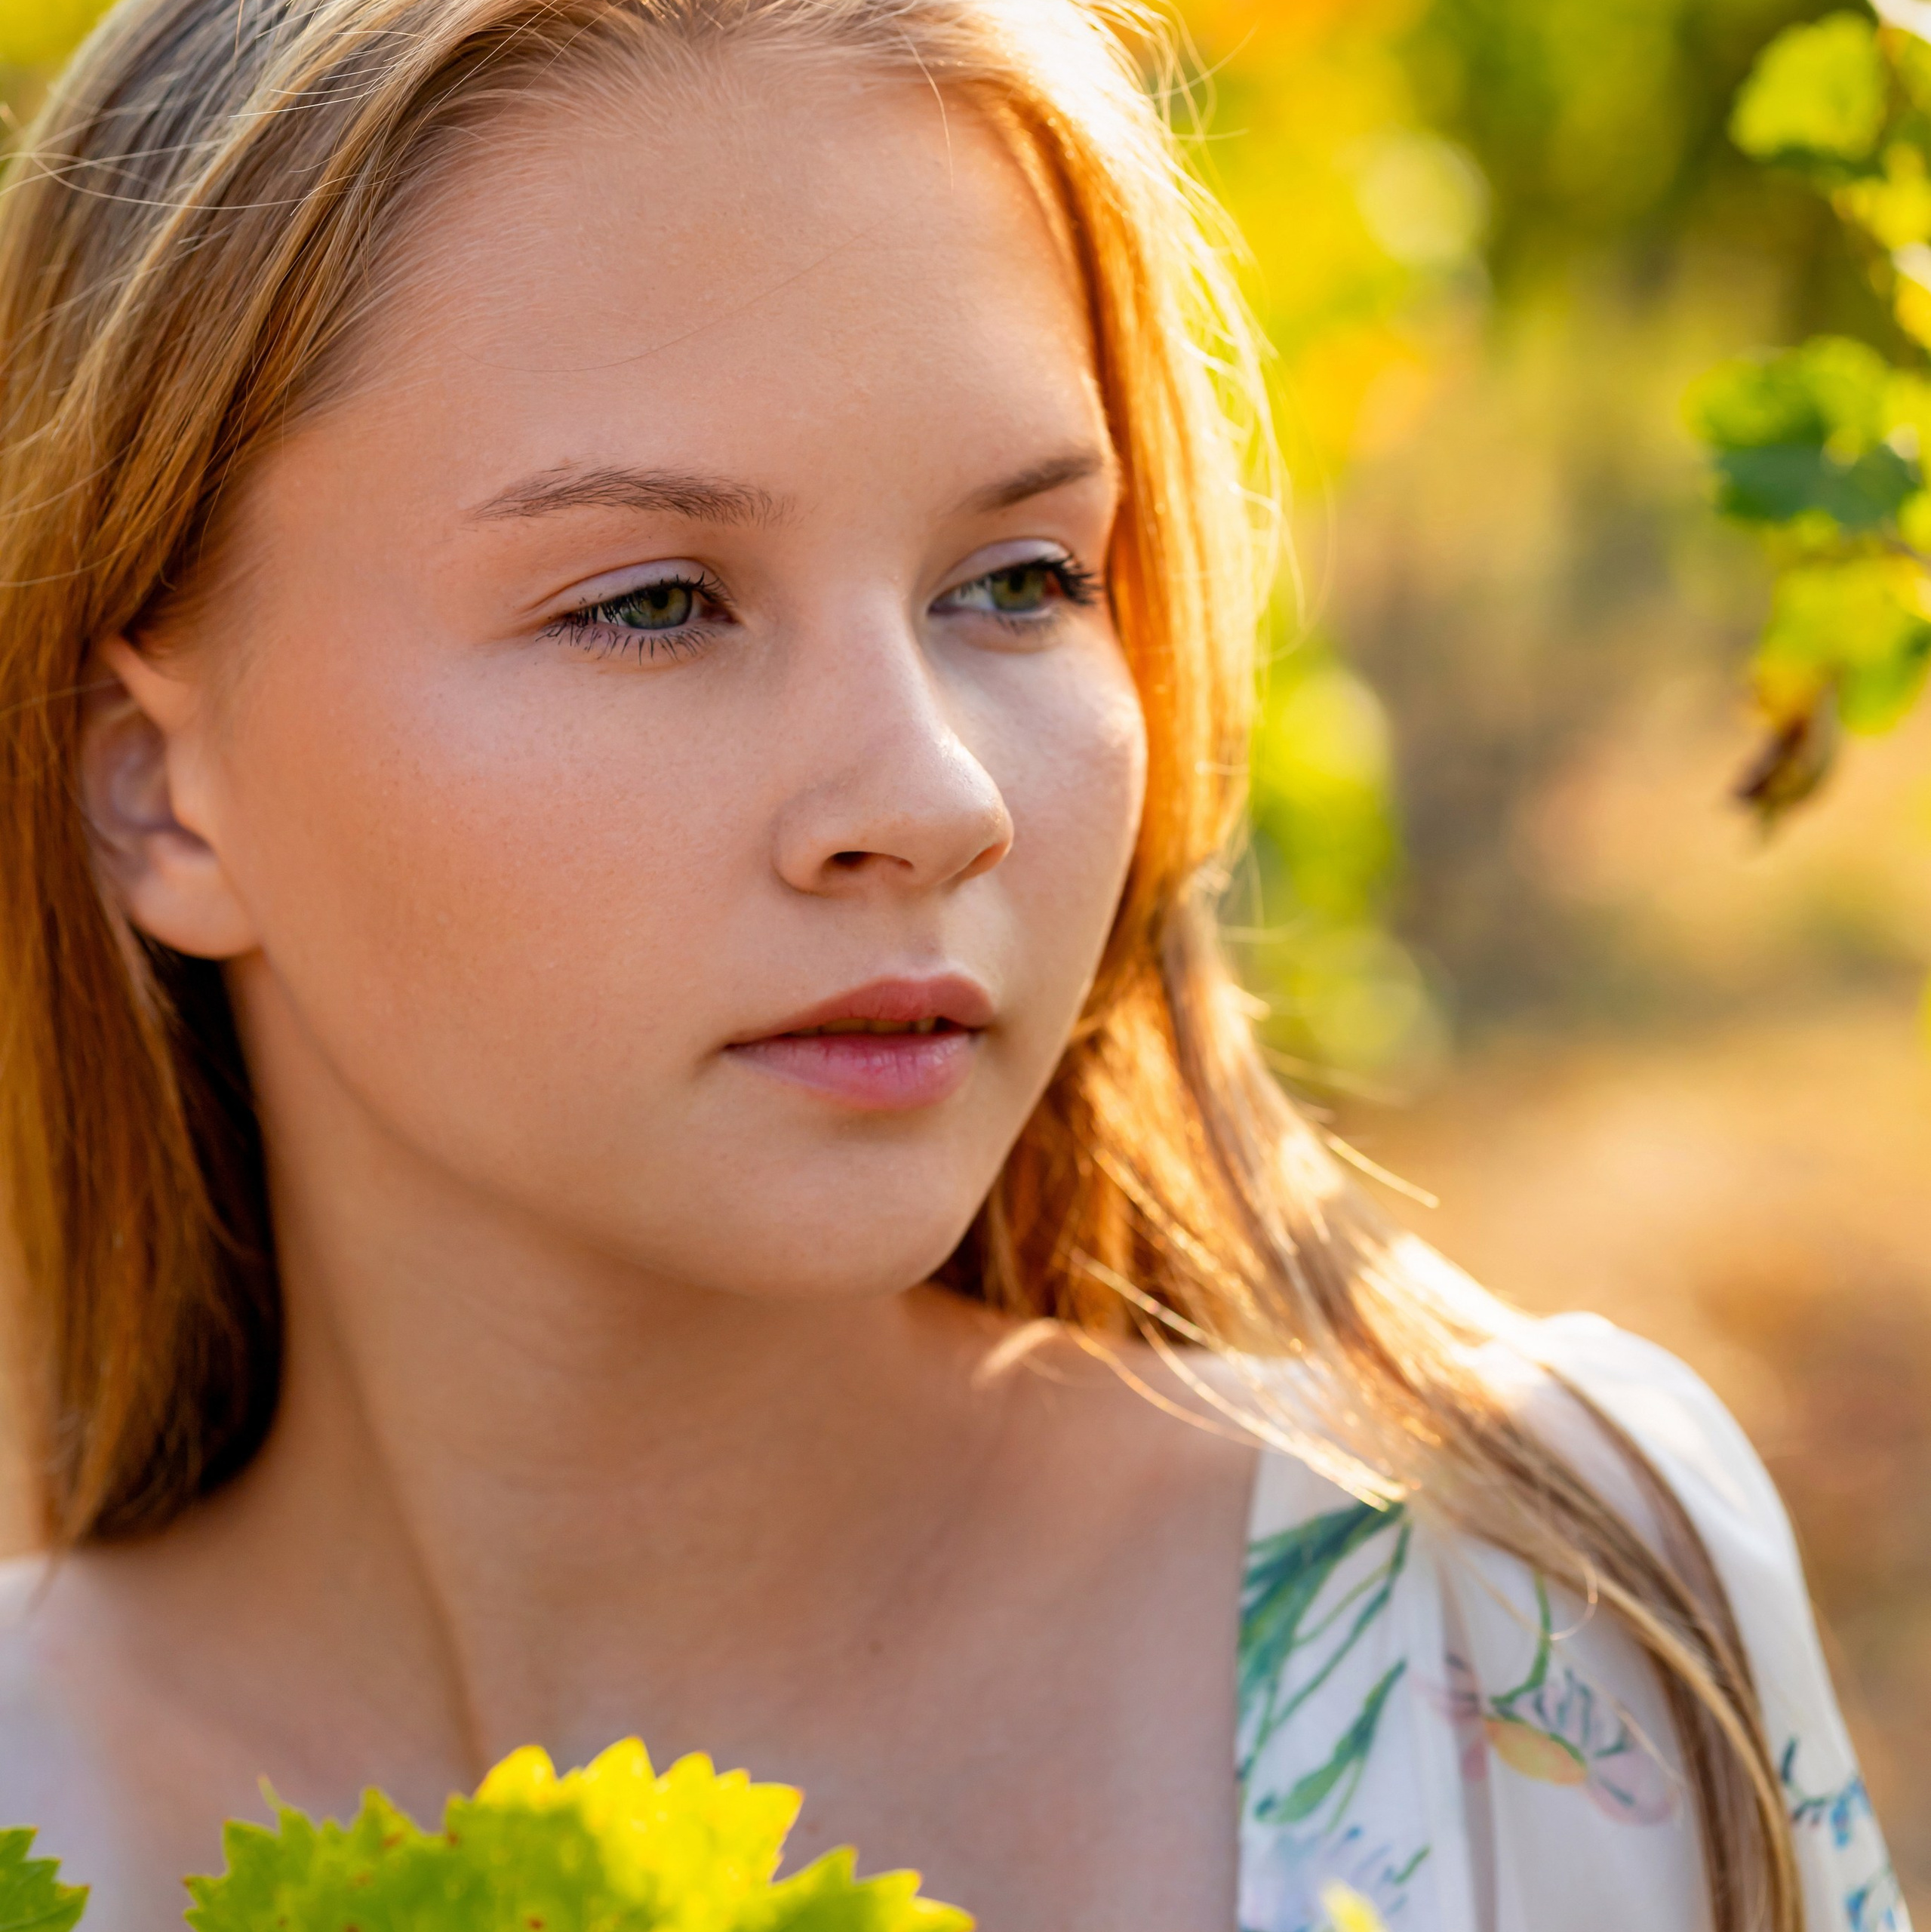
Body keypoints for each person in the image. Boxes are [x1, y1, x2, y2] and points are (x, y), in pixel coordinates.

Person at [0, 2, 1900, 1928]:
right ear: (164, 796)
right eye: (651, 602)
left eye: (1019, 579)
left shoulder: (1518, 1624)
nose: (933, 793)